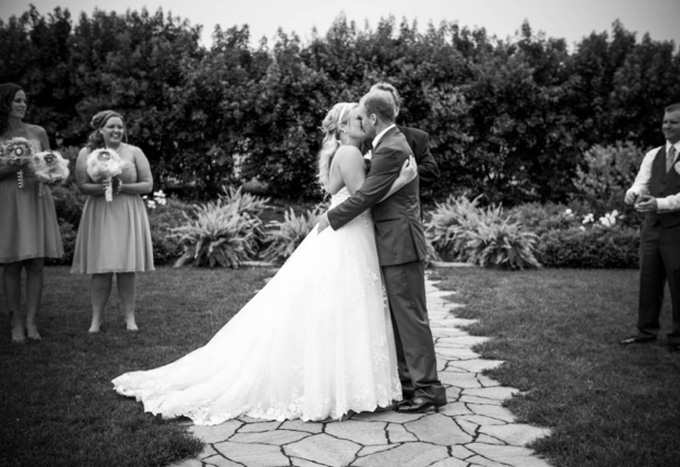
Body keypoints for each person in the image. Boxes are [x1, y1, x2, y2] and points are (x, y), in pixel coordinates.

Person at [111, 102, 418, 425]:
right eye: (356, 118)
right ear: (342, 128)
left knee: (339, 308)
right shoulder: (351, 154)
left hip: (346, 234)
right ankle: (346, 387)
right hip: (349, 234)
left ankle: (343, 384)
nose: (363, 121)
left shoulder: (346, 153)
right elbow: (362, 199)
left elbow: (338, 192)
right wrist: (400, 180)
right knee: (347, 307)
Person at [318, 89, 447, 413]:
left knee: (411, 319)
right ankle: (412, 386)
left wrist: (330, 218)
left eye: (362, 117)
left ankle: (427, 390)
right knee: (403, 317)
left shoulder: (390, 147)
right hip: (392, 241)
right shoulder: (384, 146)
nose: (359, 121)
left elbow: (365, 197)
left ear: (374, 118)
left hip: (400, 242)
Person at [621, 103, 680, 353]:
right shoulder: (653, 154)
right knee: (649, 280)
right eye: (665, 121)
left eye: (673, 122)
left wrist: (660, 203)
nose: (666, 126)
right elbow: (641, 184)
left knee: (679, 281)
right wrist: (633, 194)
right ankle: (645, 331)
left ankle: (679, 337)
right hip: (652, 228)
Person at [71, 110, 154, 332]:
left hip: (128, 211)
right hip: (100, 211)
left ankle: (130, 318)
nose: (117, 130)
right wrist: (104, 187)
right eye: (111, 126)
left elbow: (147, 185)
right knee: (102, 267)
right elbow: (83, 186)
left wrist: (122, 187)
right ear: (100, 129)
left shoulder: (134, 152)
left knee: (127, 267)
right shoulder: (87, 153)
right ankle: (96, 320)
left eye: (120, 126)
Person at [0, 82, 64, 343]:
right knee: (11, 263)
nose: (22, 105)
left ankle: (32, 321)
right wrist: (12, 166)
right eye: (17, 100)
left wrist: (53, 176)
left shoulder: (38, 132)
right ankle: (15, 322)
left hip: (36, 198)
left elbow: (51, 165)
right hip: (7, 200)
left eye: (24, 100)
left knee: (37, 263)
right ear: (4, 103)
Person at [368, 82, 439, 189]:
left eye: (383, 104)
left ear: (396, 110)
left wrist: (396, 172)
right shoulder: (359, 136)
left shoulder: (416, 138)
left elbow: (431, 171)